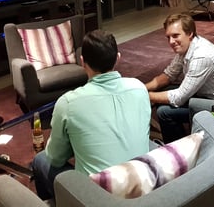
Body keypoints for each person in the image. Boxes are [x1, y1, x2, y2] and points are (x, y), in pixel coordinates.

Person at [32, 29, 151, 200]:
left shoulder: (68, 103)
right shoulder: (139, 88)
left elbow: (55, 158)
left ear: (82, 62)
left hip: (96, 198)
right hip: (143, 187)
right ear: (118, 58)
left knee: (40, 160)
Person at [146, 14, 214, 143]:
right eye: (168, 37)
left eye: (175, 36)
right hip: (206, 97)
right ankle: (178, 136)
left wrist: (145, 95)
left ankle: (180, 149)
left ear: (189, 33)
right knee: (163, 91)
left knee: (164, 112)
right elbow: (169, 75)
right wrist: (141, 88)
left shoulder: (201, 56)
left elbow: (178, 98)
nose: (171, 42)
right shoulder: (188, 45)